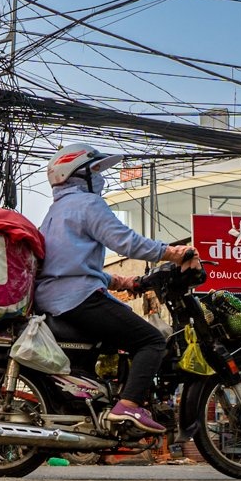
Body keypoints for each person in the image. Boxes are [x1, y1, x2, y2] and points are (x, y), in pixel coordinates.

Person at [35, 143, 198, 434]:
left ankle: (95, 404)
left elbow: (67, 262)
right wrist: (172, 253)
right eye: (95, 170)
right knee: (151, 341)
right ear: (78, 174)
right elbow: (126, 242)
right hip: (78, 298)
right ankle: (129, 405)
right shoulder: (87, 204)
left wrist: (120, 282)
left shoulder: (54, 212)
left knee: (114, 338)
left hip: (54, 298)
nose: (100, 178)